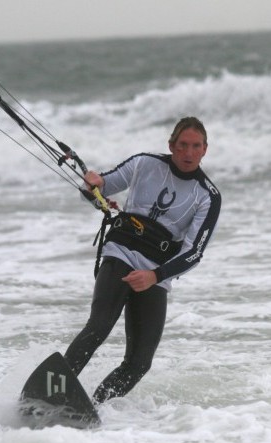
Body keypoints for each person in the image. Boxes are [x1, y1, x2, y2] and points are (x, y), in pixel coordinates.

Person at [64, 116, 222, 404]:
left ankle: (96, 407)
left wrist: (156, 276)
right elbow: (101, 188)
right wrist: (92, 184)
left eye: (195, 146)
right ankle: (55, 387)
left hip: (155, 273)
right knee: (99, 327)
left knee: (139, 362)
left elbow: (194, 252)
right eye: (183, 145)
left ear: (205, 150)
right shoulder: (145, 163)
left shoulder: (208, 196)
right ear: (171, 145)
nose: (188, 153)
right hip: (121, 252)